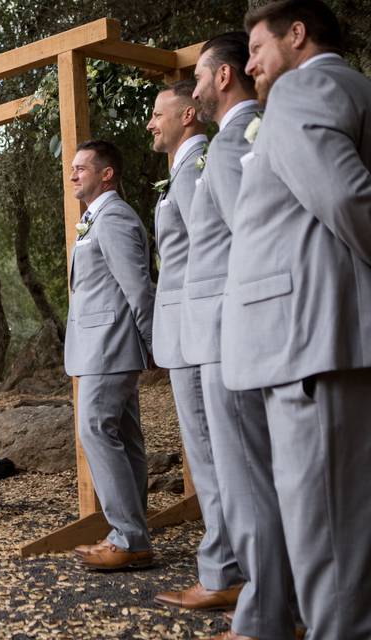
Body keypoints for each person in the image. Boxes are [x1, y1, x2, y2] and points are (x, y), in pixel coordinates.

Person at [221, 2, 371, 637]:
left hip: (309, 342)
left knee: (327, 548)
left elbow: (343, 196)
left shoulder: (305, 85)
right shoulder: (346, 88)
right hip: (315, 339)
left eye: (256, 48)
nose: (249, 65)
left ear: (298, 35)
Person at [175, 31, 299, 640]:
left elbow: (248, 243)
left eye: (199, 74)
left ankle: (266, 614)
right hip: (226, 329)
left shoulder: (227, 149)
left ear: (223, 77)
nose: (194, 87)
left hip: (228, 332)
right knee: (250, 472)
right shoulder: (237, 141)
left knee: (245, 475)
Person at [146, 82, 245, 613]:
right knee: (208, 455)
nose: (150, 123)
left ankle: (225, 571)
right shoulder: (183, 169)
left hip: (202, 329)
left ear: (189, 114)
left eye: (158, 114)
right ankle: (228, 566)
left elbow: (220, 247)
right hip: (189, 330)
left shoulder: (202, 163)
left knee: (211, 457)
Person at [65, 140, 155, 570]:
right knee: (124, 437)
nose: (73, 174)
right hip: (101, 346)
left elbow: (137, 286)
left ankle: (128, 535)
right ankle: (134, 531)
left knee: (96, 430)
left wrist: (153, 342)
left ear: (107, 174)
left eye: (82, 167)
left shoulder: (115, 217)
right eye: (72, 167)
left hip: (111, 345)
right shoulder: (95, 218)